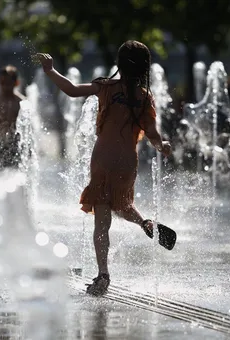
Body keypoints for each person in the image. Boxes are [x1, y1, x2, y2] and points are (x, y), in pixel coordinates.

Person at [37, 40, 172, 296]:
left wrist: (50, 70)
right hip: (127, 162)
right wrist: (162, 145)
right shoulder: (145, 98)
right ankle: (145, 223)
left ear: (119, 64)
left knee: (102, 223)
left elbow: (73, 90)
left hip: (104, 159)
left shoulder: (106, 88)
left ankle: (102, 275)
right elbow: (153, 134)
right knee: (122, 204)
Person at [0, 65, 25, 176]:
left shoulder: (21, 102)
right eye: (2, 83)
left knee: (17, 176)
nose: (5, 86)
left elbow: (28, 127)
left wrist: (29, 147)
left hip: (15, 143)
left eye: (8, 83)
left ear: (16, 83)